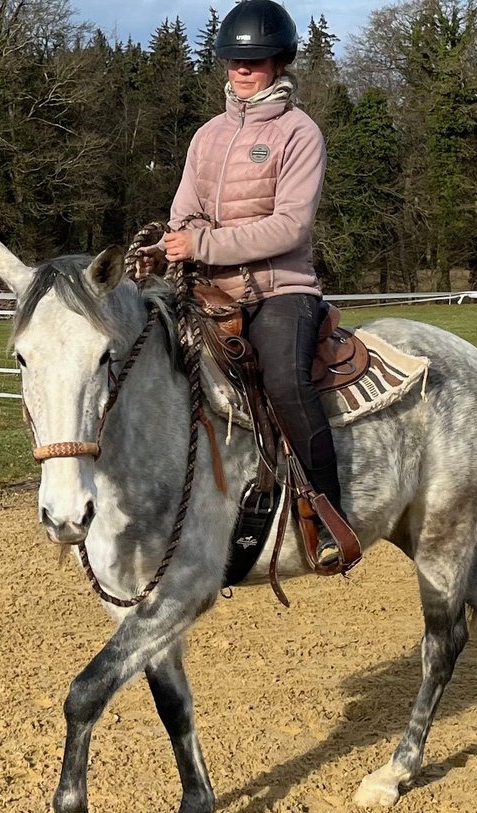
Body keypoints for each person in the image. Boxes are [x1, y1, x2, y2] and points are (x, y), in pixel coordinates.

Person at [160, 0, 350, 568]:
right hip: (208, 288)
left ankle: (328, 513)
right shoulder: (207, 136)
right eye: (235, 60)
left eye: (258, 60)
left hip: (280, 288)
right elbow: (184, 211)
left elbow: (291, 225)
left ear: (279, 62)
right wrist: (177, 241)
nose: (244, 70)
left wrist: (204, 245)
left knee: (288, 384)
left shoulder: (300, 133)